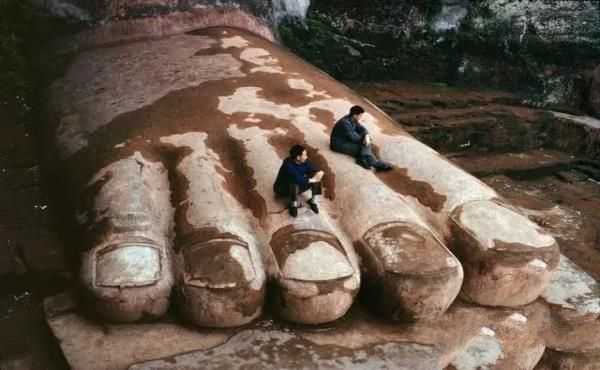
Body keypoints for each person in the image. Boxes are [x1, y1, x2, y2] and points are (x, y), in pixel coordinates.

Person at [330, 105, 392, 171]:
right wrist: (364, 139)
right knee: (363, 146)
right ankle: (374, 163)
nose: (361, 117)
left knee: (366, 143)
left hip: (347, 140)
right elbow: (354, 138)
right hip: (338, 144)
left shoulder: (352, 119)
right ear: (355, 115)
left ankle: (361, 159)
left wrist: (366, 135)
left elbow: (361, 128)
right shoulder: (345, 123)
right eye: (360, 115)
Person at [273, 144, 324, 217]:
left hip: (297, 186)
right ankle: (293, 205)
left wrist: (319, 172)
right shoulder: (287, 164)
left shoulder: (305, 161)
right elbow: (297, 178)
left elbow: (313, 169)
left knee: (316, 178)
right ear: (298, 157)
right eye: (305, 155)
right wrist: (312, 180)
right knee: (294, 182)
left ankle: (312, 201)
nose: (306, 157)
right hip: (283, 189)